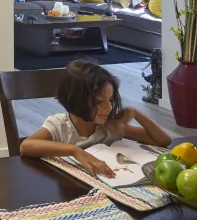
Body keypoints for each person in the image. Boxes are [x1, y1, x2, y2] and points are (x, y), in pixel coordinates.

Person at [19, 60, 171, 177]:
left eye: (110, 100)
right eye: (99, 102)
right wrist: (75, 151)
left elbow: (162, 140)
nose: (109, 107)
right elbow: (26, 146)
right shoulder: (60, 126)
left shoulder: (110, 127)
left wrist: (135, 112)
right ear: (77, 100)